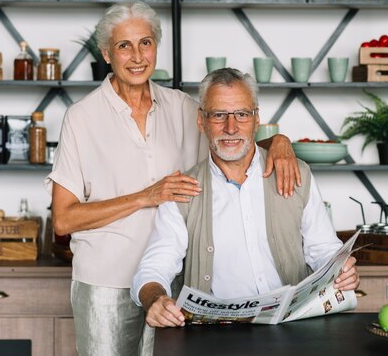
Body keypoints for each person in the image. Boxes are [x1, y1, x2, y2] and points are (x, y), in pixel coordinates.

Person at [45, 3, 300, 356]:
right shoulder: (82, 117)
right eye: (124, 46)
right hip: (106, 284)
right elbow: (64, 218)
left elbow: (232, 139)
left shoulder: (182, 106)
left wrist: (279, 143)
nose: (137, 56)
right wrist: (146, 196)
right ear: (106, 53)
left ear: (156, 48)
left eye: (145, 43)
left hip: (174, 285)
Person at [131, 68, 360, 328]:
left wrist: (341, 270)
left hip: (292, 329)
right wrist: (155, 299)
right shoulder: (182, 192)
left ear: (256, 118)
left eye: (241, 114)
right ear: (201, 120)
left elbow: (322, 250)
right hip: (217, 336)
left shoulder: (297, 174)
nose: (231, 128)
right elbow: (154, 266)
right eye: (219, 115)